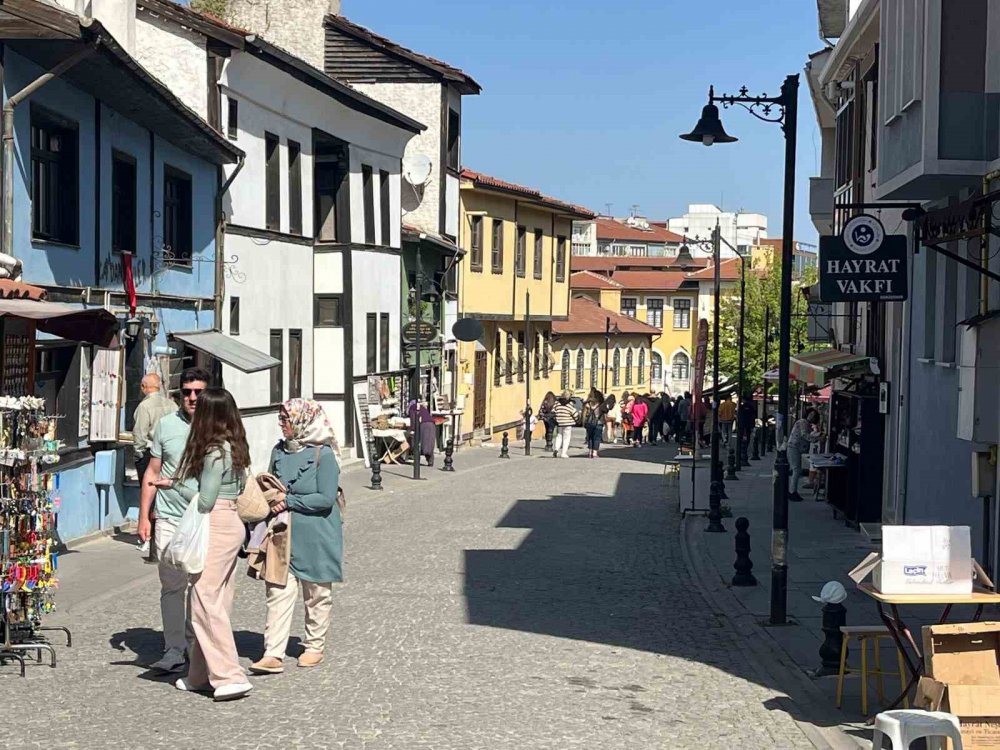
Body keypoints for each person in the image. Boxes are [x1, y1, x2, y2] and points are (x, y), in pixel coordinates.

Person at [153, 387, 253, 701]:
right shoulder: (235, 446)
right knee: (217, 597)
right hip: (232, 521)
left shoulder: (214, 451)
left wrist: (174, 485)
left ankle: (229, 674)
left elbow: (205, 500)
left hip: (218, 522)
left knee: (203, 598)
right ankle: (199, 674)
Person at [250, 399, 342, 675]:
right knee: (277, 590)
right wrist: (272, 498)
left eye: (285, 419)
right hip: (283, 532)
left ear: (302, 420)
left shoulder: (322, 455)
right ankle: (273, 652)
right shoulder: (279, 451)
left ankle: (314, 645)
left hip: (317, 534)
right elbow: (271, 484)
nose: (281, 423)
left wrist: (289, 501)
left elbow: (325, 498)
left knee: (316, 593)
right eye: (281, 418)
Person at [138, 367, 210, 674]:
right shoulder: (166, 425)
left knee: (201, 583)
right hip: (168, 515)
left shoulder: (215, 425)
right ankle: (174, 649)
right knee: (172, 584)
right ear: (178, 394)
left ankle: (198, 646)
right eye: (187, 392)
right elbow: (152, 473)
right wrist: (144, 516)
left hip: (203, 515)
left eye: (198, 392)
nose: (192, 397)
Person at [133, 373, 177, 485]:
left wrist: (138, 454)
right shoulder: (172, 404)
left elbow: (140, 433)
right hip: (171, 452)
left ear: (143, 387)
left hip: (151, 453)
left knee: (149, 488)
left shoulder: (144, 406)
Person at [788, 408, 822, 502]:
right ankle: (792, 492)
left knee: (797, 470)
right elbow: (804, 434)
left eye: (814, 415)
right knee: (796, 470)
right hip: (794, 447)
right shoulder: (803, 422)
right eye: (811, 414)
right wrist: (816, 439)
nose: (812, 417)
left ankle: (792, 491)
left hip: (795, 447)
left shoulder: (806, 423)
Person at [408, 399, 436, 467]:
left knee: (421, 443)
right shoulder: (421, 407)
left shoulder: (412, 408)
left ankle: (417, 460)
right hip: (431, 424)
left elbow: (413, 421)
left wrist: (412, 429)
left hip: (424, 425)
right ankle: (430, 461)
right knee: (429, 443)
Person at [551, 390, 579, 459]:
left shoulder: (557, 403)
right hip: (568, 423)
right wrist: (577, 419)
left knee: (559, 436)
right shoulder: (569, 404)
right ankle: (564, 453)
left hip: (559, 422)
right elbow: (574, 413)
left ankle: (556, 449)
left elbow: (553, 411)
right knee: (566, 438)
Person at [582, 388, 605, 458]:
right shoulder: (601, 404)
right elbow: (604, 413)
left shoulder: (587, 404)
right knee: (597, 438)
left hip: (589, 423)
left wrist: (583, 423)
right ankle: (594, 453)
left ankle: (590, 452)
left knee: (590, 437)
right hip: (599, 422)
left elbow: (584, 414)